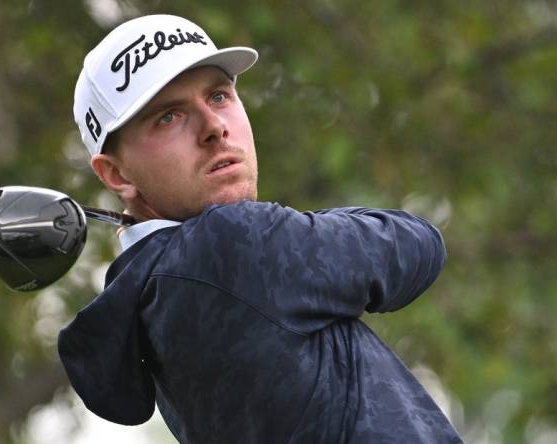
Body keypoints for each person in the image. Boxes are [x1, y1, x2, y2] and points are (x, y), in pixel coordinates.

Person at [59, 14, 462, 443]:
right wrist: (294, 229)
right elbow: (417, 244)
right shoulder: (227, 244)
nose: (214, 128)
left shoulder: (153, 295)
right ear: (117, 175)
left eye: (218, 96)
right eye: (169, 117)